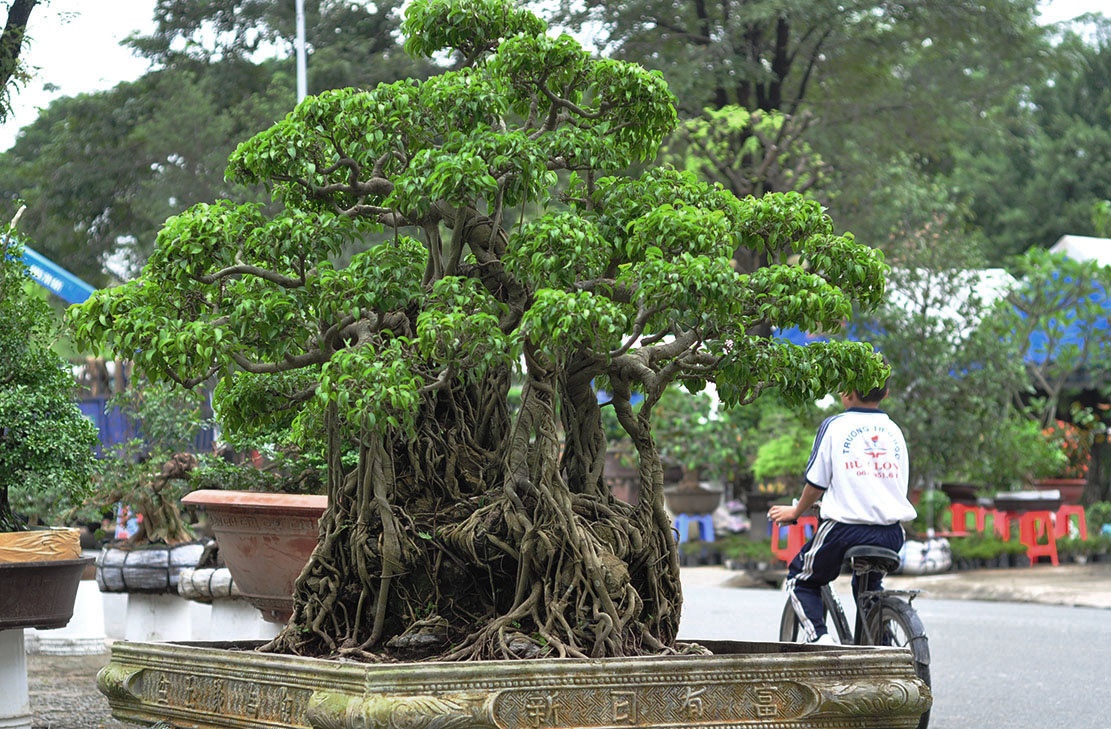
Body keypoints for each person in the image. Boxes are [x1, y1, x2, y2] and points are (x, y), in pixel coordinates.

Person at [767, 380, 916, 644]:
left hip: (845, 531)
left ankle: (821, 641)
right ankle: (879, 647)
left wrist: (796, 512)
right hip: (891, 533)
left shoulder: (835, 426)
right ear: (887, 392)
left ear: (847, 392)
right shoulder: (894, 431)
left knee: (801, 579)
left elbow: (816, 484)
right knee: (869, 591)